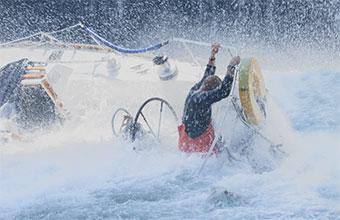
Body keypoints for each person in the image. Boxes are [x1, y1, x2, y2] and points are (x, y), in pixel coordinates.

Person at [178, 43, 240, 153]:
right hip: (199, 144)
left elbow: (208, 73)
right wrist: (231, 67)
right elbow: (224, 91)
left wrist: (213, 54)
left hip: (184, 142)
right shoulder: (204, 98)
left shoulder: (195, 90)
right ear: (211, 91)